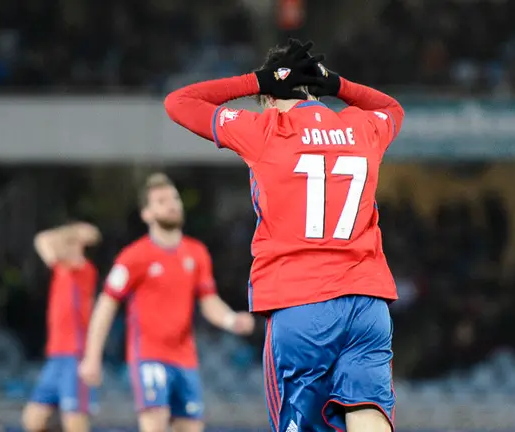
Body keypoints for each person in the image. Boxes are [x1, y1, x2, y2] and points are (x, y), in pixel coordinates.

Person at [164, 39, 405, 432]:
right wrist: (338, 85)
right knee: (368, 413)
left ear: (267, 99)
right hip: (367, 303)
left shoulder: (265, 129)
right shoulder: (362, 126)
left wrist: (256, 80)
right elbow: (392, 109)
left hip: (300, 304)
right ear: (314, 89)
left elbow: (179, 102)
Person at [78, 173, 255, 432]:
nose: (172, 204)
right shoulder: (134, 257)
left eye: (174, 198)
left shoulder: (196, 253)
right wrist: (92, 357)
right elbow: (106, 305)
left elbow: (208, 301)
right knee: (155, 423)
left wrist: (231, 320)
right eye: (161, 201)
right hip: (149, 355)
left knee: (191, 427)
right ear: (147, 214)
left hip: (185, 358)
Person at [23, 222, 101, 432]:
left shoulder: (84, 270)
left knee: (75, 424)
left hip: (76, 356)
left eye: (71, 244)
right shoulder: (60, 268)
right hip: (56, 356)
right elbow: (41, 239)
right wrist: (70, 232)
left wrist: (74, 236)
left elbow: (93, 234)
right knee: (33, 420)